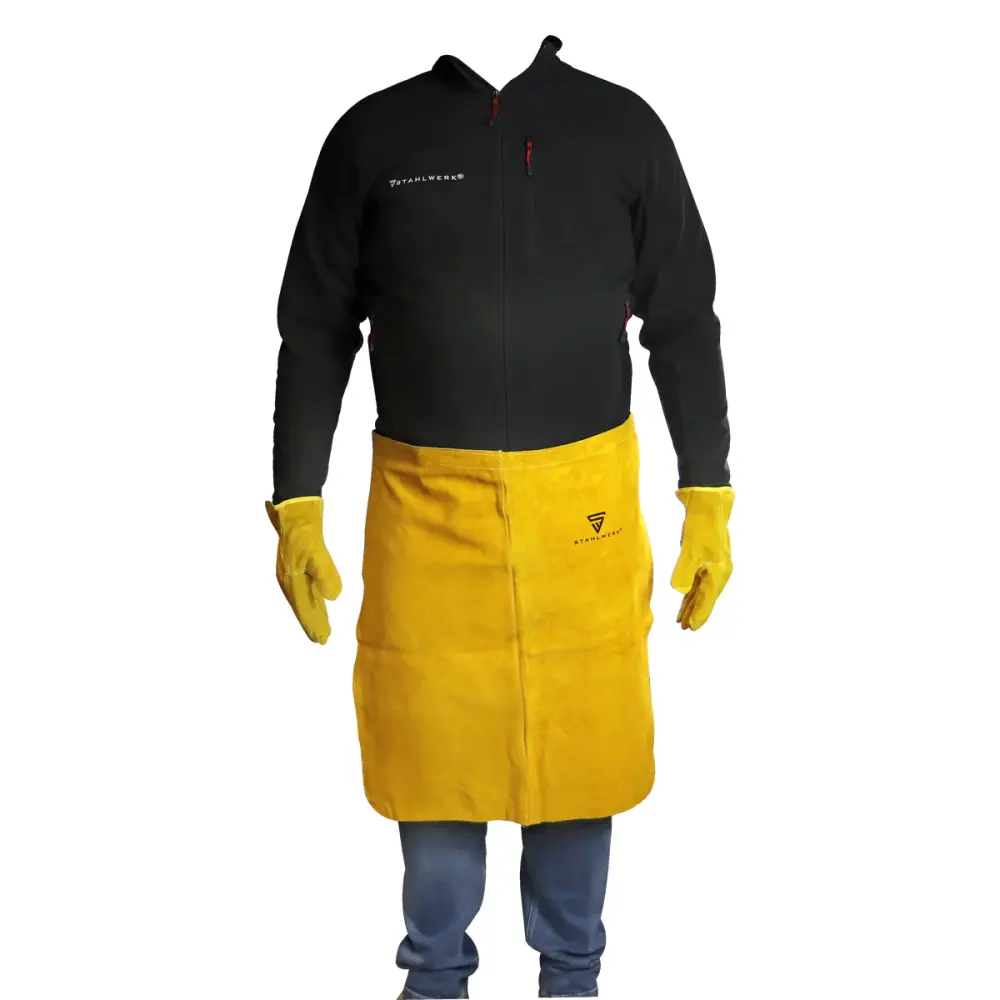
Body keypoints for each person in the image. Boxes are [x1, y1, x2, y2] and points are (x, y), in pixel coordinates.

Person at [265, 34, 735, 1000]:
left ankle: (573, 978)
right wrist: (297, 501)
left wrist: (708, 492)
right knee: (434, 756)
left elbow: (684, 318)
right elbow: (314, 328)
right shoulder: (375, 134)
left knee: (579, 754)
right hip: (426, 510)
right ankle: (435, 979)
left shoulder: (621, 127)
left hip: (582, 508)